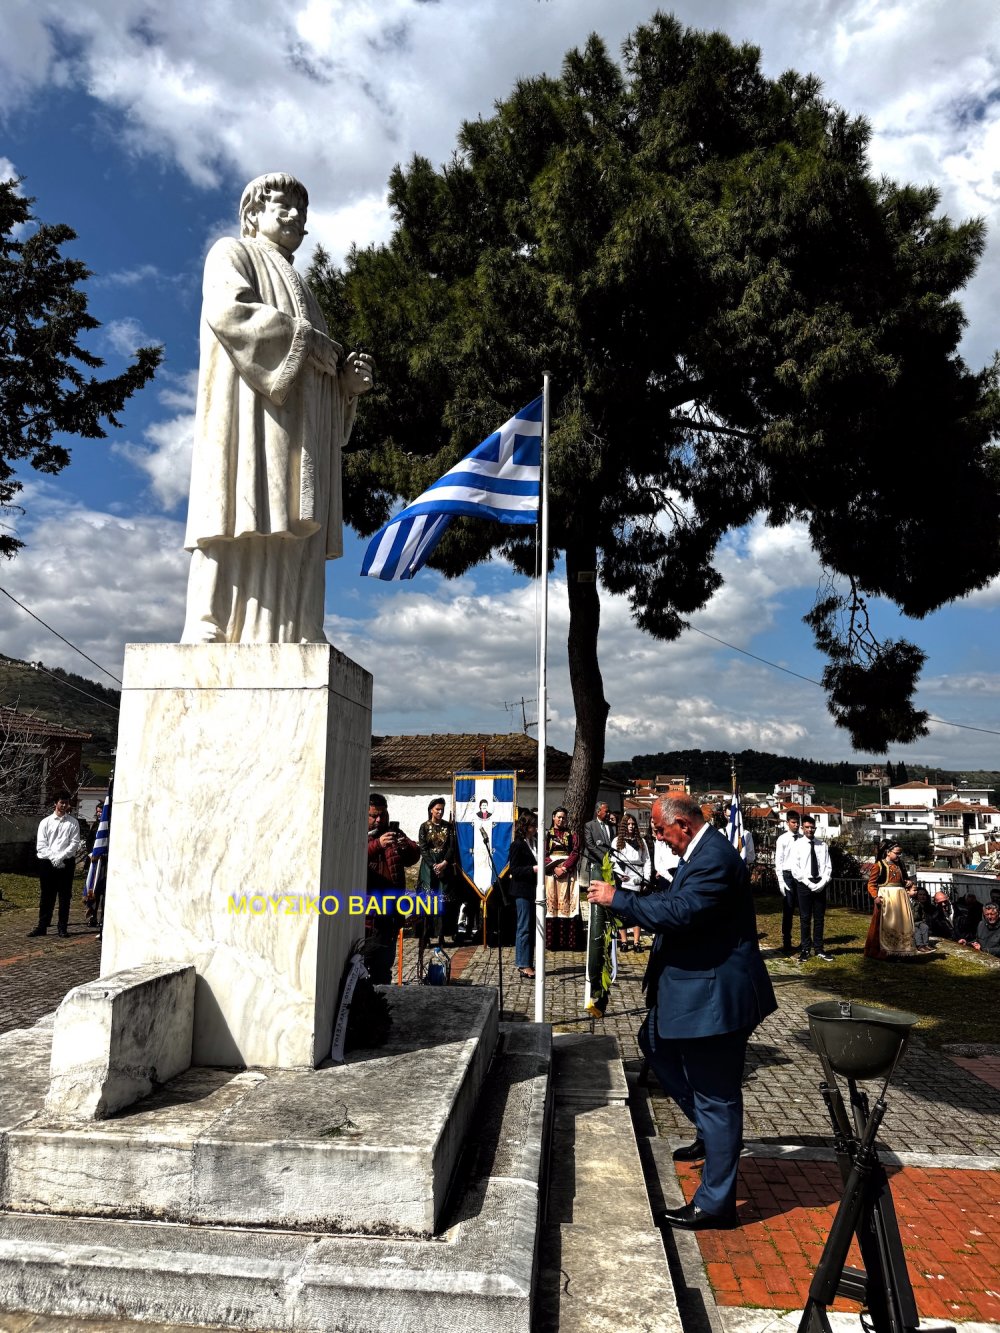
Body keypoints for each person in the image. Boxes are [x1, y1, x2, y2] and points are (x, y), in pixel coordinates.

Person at [181, 172, 374, 645]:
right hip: (248, 417)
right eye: (283, 206)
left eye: (301, 211)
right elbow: (230, 312)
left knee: (290, 521)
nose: (294, 216)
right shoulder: (232, 253)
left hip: (297, 433)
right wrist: (307, 343)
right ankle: (210, 622)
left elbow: (319, 369)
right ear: (253, 215)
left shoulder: (306, 293)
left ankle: (296, 627)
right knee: (233, 511)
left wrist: (345, 388)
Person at [588, 793, 776, 1231]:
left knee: (718, 1096)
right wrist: (642, 889)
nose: (658, 837)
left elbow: (683, 912)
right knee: (653, 1041)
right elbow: (677, 895)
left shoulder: (714, 858)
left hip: (716, 998)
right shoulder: (700, 852)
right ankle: (711, 1133)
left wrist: (620, 899)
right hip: (697, 990)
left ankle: (715, 1203)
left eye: (660, 829)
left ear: (684, 825)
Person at [366, 793, 420, 984]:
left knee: (383, 970)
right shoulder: (357, 833)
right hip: (367, 916)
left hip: (390, 914)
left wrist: (405, 845)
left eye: (382, 815)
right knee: (362, 968)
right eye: (374, 815)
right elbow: (354, 857)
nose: (378, 820)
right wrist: (377, 845)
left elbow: (413, 857)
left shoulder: (392, 832)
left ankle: (381, 1010)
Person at [30, 793, 85, 938]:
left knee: (65, 896)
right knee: (46, 895)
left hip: (66, 862)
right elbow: (41, 845)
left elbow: (74, 843)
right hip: (47, 862)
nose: (64, 806)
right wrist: (53, 857)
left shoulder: (73, 822)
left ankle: (62, 927)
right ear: (56, 803)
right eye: (61, 803)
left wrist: (61, 857)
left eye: (66, 803)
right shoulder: (45, 822)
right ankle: (42, 926)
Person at [416, 797, 456, 977]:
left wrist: (444, 863)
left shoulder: (449, 827)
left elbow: (451, 847)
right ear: (431, 810)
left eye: (442, 809)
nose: (440, 812)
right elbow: (423, 847)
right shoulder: (424, 826)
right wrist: (433, 865)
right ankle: (425, 936)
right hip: (428, 867)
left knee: (441, 902)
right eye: (437, 809)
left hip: (444, 867)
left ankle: (440, 937)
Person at [788, 816, 833, 961]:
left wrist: (822, 882)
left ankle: (819, 949)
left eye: (812, 827)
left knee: (819, 918)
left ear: (815, 828)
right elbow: (795, 869)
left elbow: (828, 866)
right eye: (807, 827)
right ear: (802, 828)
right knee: (805, 918)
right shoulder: (797, 845)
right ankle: (805, 949)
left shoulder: (822, 845)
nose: (810, 830)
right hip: (804, 884)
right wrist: (809, 884)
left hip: (820, 883)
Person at [864, 843, 916, 959]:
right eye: (896, 853)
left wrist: (908, 883)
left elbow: (905, 880)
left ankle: (902, 951)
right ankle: (885, 951)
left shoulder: (900, 865)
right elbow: (871, 883)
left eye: (900, 853)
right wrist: (875, 897)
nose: (899, 856)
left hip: (900, 898)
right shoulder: (879, 865)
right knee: (885, 924)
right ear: (888, 852)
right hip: (886, 897)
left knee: (901, 923)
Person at [610, 813, 651, 952]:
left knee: (636, 910)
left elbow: (647, 861)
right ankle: (623, 941)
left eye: (633, 824)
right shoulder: (617, 841)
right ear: (623, 826)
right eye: (628, 824)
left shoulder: (641, 842)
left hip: (637, 878)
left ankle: (637, 941)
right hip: (623, 879)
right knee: (622, 910)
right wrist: (620, 874)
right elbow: (612, 861)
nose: (631, 827)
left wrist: (646, 879)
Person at [544, 807, 581, 950]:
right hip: (551, 874)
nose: (561, 820)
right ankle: (552, 942)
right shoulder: (547, 835)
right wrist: (554, 868)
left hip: (568, 873)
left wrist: (565, 868)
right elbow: (543, 853)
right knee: (552, 903)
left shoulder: (572, 835)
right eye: (559, 817)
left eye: (564, 818)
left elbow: (575, 851)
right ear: (553, 817)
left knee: (568, 903)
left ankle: (568, 942)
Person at [508, 813, 538, 978]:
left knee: (530, 927)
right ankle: (522, 964)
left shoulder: (535, 842)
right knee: (524, 927)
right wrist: (533, 869)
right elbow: (514, 870)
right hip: (521, 890)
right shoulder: (517, 845)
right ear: (525, 827)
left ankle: (529, 961)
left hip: (533, 889)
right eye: (532, 826)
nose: (535, 829)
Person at [773, 810, 802, 955]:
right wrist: (781, 880)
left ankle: (805, 941)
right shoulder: (782, 839)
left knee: (803, 909)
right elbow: (778, 861)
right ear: (788, 823)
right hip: (788, 875)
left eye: (798, 822)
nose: (796, 825)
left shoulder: (802, 838)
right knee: (788, 909)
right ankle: (787, 942)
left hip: (801, 876)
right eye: (793, 822)